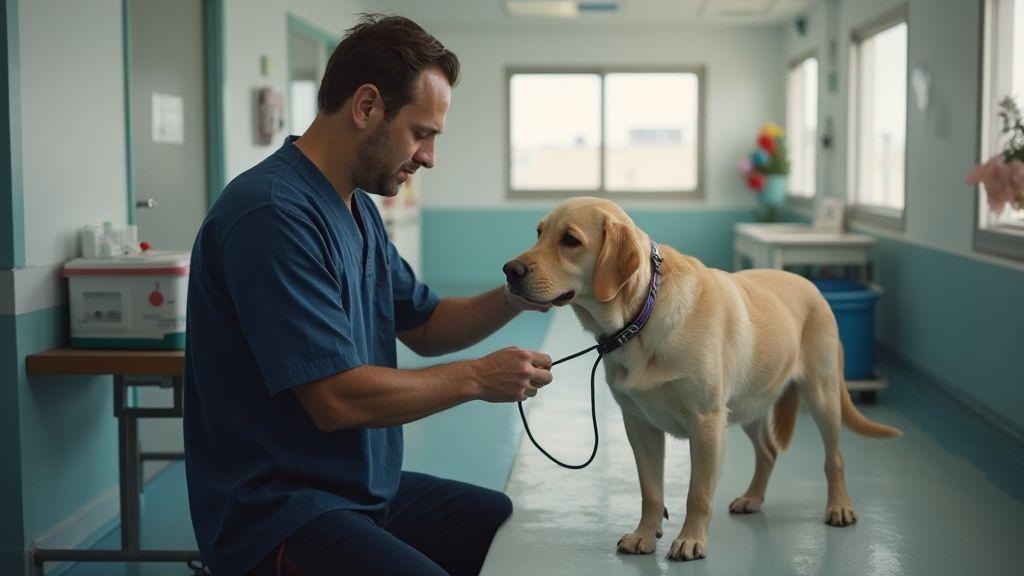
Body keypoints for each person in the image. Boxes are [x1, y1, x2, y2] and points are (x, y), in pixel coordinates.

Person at [183, 14, 553, 576]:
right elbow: (337, 400)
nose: (429, 157)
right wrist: (477, 378)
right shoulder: (272, 214)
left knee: (495, 522)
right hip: (278, 512)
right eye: (421, 132)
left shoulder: (357, 208)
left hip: (355, 487)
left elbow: (426, 325)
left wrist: (520, 296)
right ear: (366, 106)